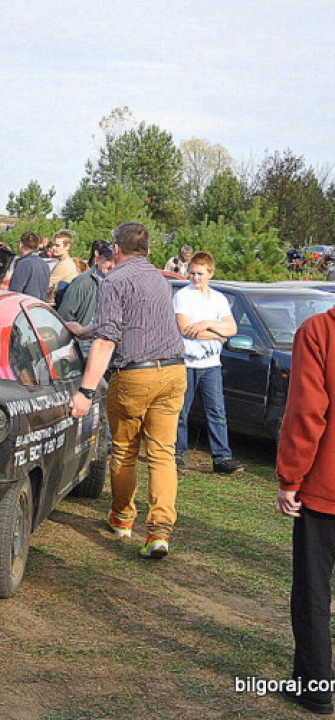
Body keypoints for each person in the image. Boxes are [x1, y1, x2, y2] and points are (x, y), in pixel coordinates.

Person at [69, 222, 186, 560]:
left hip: (134, 375)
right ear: (147, 249)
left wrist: (85, 391)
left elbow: (106, 341)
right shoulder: (160, 280)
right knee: (163, 453)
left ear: (116, 249)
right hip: (174, 371)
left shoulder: (113, 280)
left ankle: (122, 519)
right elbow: (126, 322)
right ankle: (159, 532)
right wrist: (85, 328)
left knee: (124, 450)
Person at [275, 302, 335, 716]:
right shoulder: (318, 331)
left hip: (324, 486)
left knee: (314, 590)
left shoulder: (319, 331)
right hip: (323, 486)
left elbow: (305, 412)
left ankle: (316, 687)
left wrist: (290, 478)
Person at [173, 252, 239, 474]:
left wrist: (206, 324)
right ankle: (177, 454)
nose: (195, 278)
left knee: (217, 411)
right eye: (191, 273)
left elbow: (231, 329)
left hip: (211, 364)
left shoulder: (218, 299)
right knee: (182, 410)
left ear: (210, 273)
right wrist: (217, 335)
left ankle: (222, 457)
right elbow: (185, 330)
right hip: (188, 363)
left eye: (200, 274)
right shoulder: (182, 296)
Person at [57, 244, 115, 336]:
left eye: (116, 261)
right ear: (98, 260)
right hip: (86, 341)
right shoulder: (82, 282)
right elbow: (65, 315)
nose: (112, 266)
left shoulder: (119, 282)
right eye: (108, 261)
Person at [8, 232, 51, 299]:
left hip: (25, 306)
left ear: (21, 245)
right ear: (37, 247)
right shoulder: (44, 264)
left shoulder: (23, 264)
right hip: (40, 306)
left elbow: (14, 292)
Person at [46, 230, 80, 304]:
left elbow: (47, 285)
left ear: (67, 246)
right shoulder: (66, 262)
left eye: (57, 245)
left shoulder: (64, 264)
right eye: (53, 245)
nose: (54, 248)